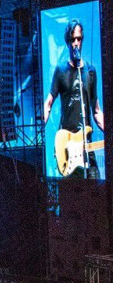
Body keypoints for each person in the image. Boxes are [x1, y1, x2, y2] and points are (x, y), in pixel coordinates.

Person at [44, 19, 105, 178]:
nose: (75, 43)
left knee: (94, 190)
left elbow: (96, 111)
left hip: (87, 143)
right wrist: (40, 124)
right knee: (73, 196)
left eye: (78, 39)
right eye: (72, 40)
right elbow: (49, 103)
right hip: (68, 144)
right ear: (67, 42)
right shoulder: (61, 70)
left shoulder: (90, 71)